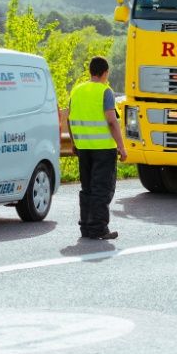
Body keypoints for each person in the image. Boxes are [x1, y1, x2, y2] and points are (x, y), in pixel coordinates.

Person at [68, 56, 127, 240]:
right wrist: (122, 147)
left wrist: (74, 143)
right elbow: (111, 121)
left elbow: (69, 120)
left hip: (83, 148)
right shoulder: (105, 92)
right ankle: (99, 229)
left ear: (90, 71)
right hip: (103, 149)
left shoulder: (76, 91)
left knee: (87, 189)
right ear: (105, 73)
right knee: (102, 189)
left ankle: (86, 227)